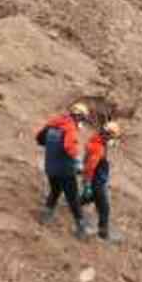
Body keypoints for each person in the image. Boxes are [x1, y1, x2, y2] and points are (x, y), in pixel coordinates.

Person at [36, 102, 92, 239]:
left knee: (55, 190)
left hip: (50, 167)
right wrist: (78, 164)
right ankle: (81, 227)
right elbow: (70, 147)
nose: (82, 122)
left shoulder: (54, 123)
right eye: (83, 119)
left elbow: (39, 138)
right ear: (79, 117)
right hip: (65, 170)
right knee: (73, 198)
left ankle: (46, 215)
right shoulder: (70, 128)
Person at [81, 120, 123, 243]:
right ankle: (103, 234)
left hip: (97, 179)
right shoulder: (98, 148)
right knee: (104, 208)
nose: (114, 141)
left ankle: (74, 204)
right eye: (113, 137)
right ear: (107, 135)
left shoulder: (96, 140)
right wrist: (87, 184)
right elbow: (90, 166)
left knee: (92, 197)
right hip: (96, 181)